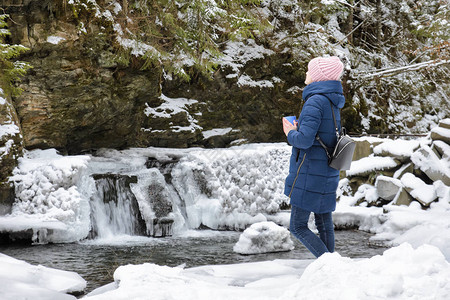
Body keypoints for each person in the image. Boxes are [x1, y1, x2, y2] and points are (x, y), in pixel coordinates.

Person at [282, 56, 345, 258]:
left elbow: (303, 141)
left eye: (309, 71)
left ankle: (329, 265)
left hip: (310, 172)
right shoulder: (331, 100)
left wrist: (290, 132)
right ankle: (332, 269)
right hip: (326, 170)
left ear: (319, 76)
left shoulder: (315, 101)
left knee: (298, 226)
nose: (306, 74)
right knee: (324, 223)